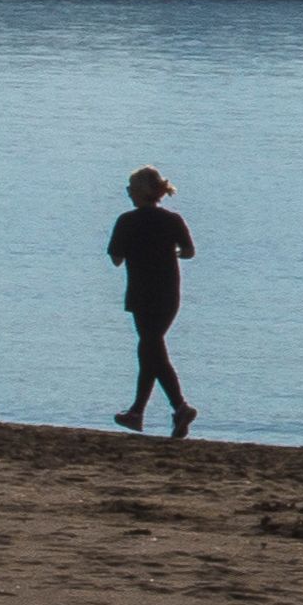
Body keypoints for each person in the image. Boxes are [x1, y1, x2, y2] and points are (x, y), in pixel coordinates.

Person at [106, 167, 198, 439]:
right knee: (150, 348)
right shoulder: (173, 220)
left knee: (150, 348)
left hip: (142, 294)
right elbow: (189, 252)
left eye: (130, 188)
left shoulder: (126, 221)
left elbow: (116, 258)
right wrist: (170, 253)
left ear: (141, 192)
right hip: (169, 295)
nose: (128, 193)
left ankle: (180, 406)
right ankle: (137, 412)